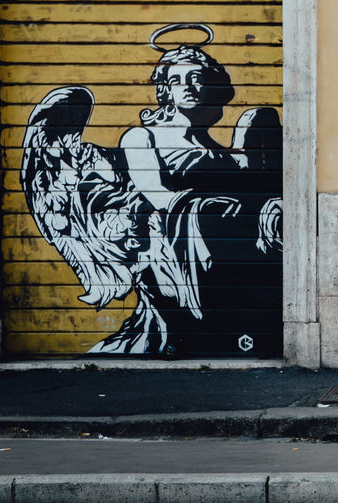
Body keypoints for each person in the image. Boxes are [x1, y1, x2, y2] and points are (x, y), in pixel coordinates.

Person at [88, 32, 282, 356]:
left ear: (210, 85)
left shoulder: (223, 150)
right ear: (165, 89)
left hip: (230, 255)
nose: (189, 86)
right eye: (177, 80)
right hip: (176, 257)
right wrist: (210, 206)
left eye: (196, 77)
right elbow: (156, 194)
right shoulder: (141, 137)